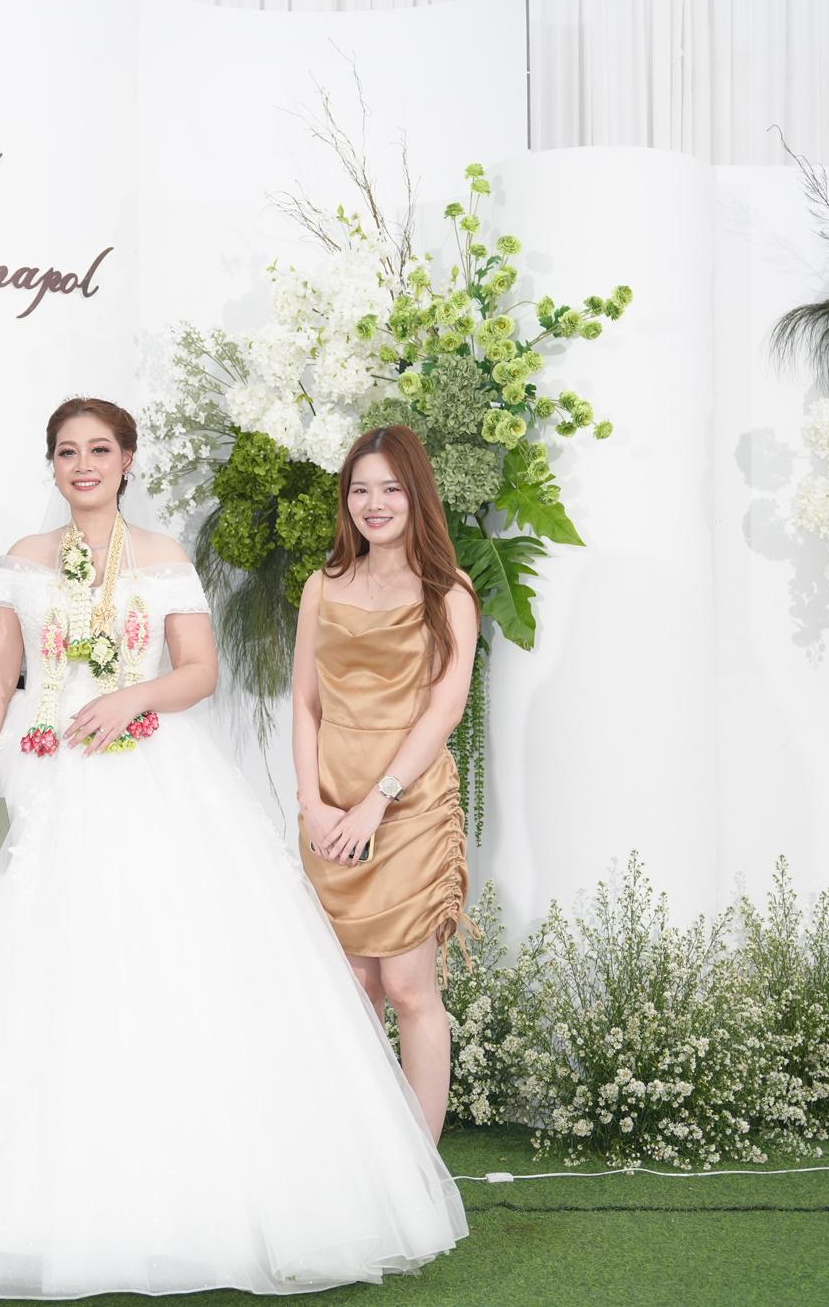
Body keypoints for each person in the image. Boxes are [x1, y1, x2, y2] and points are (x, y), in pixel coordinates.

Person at [0, 398, 467, 1298]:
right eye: (67, 451)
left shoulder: (164, 556)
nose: (84, 465)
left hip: (151, 772)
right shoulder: (22, 559)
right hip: (37, 768)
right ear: (52, 464)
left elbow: (201, 670)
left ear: (127, 462)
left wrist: (133, 697)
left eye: (100, 450)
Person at [292, 423, 480, 1143]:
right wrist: (312, 803)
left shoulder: (449, 591)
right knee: (354, 990)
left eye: (391, 489)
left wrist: (378, 801)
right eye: (360, 490)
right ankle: (366, 1158)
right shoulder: (322, 585)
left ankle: (418, 1170)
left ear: (416, 495)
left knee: (406, 986)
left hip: (408, 804)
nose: (374, 504)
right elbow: (305, 701)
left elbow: (445, 708)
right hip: (331, 804)